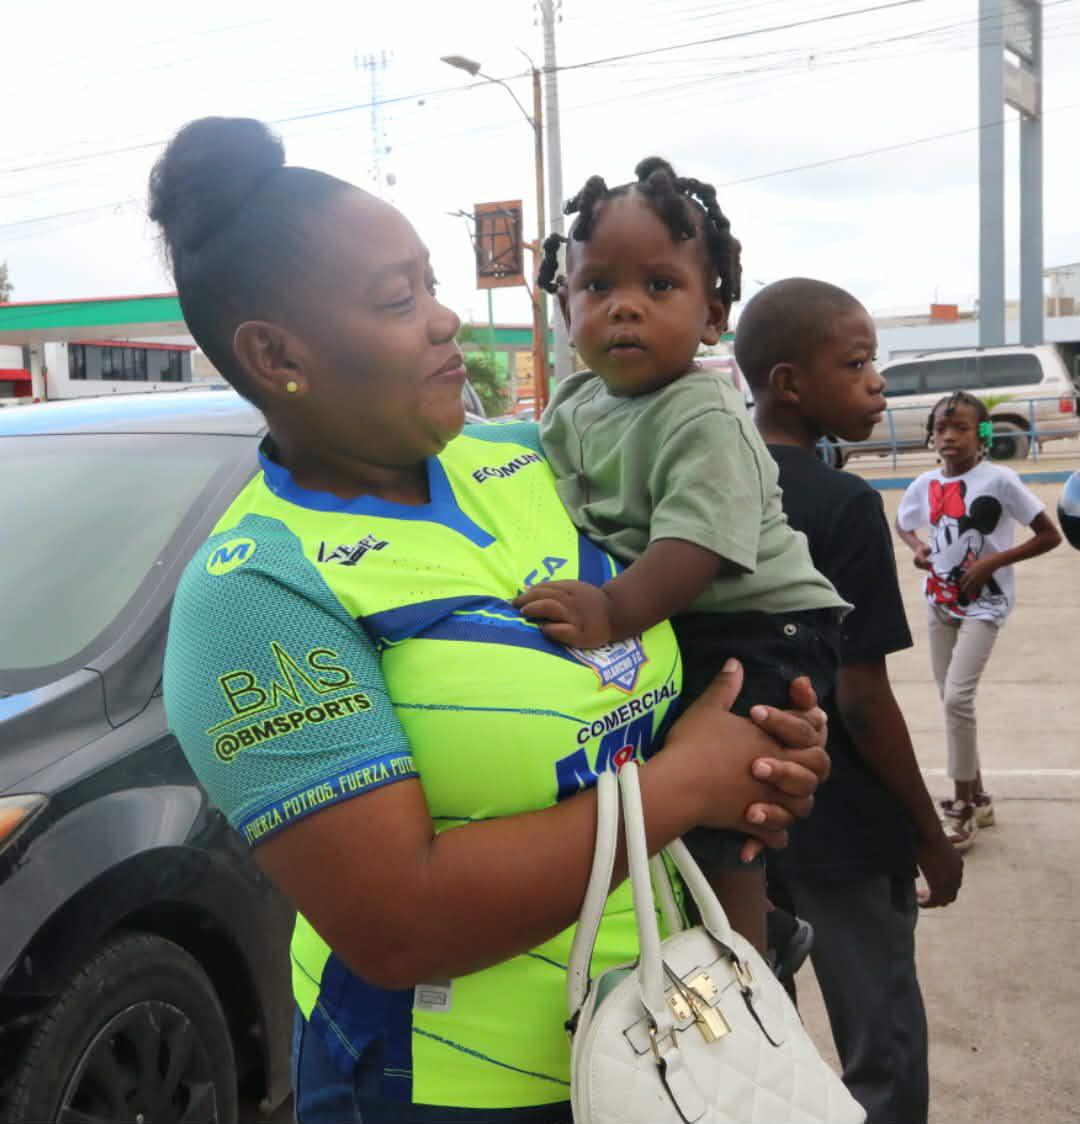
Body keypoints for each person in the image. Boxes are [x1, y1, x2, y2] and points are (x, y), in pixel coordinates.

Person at [152, 117, 832, 1124]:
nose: (442, 320)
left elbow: (682, 638)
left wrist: (767, 758)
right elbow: (397, 918)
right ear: (276, 353)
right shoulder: (255, 595)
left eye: (432, 283)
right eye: (398, 298)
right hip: (452, 1086)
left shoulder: (532, 459)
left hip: (679, 1032)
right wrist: (684, 783)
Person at [518, 158, 848, 953]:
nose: (625, 306)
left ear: (712, 315)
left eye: (660, 286)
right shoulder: (573, 402)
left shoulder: (702, 412)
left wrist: (609, 610)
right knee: (661, 785)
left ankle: (748, 951)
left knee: (732, 790)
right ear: (564, 307)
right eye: (598, 287)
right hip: (672, 614)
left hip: (761, 624)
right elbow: (539, 489)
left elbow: (695, 547)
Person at [738, 277, 963, 1124]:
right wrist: (928, 836)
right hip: (841, 825)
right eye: (859, 362)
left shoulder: (702, 493)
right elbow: (865, 700)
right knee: (882, 1047)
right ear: (791, 381)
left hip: (736, 816)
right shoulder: (843, 506)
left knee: (763, 1039)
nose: (877, 382)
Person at [896, 391, 1061, 849]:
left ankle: (962, 807)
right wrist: (918, 548)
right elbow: (905, 522)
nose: (949, 436)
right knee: (954, 706)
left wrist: (993, 562)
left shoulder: (1000, 480)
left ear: (982, 434)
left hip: (984, 605)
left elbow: (1050, 535)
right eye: (941, 429)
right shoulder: (925, 484)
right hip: (939, 602)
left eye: (961, 428)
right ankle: (981, 795)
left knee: (956, 698)